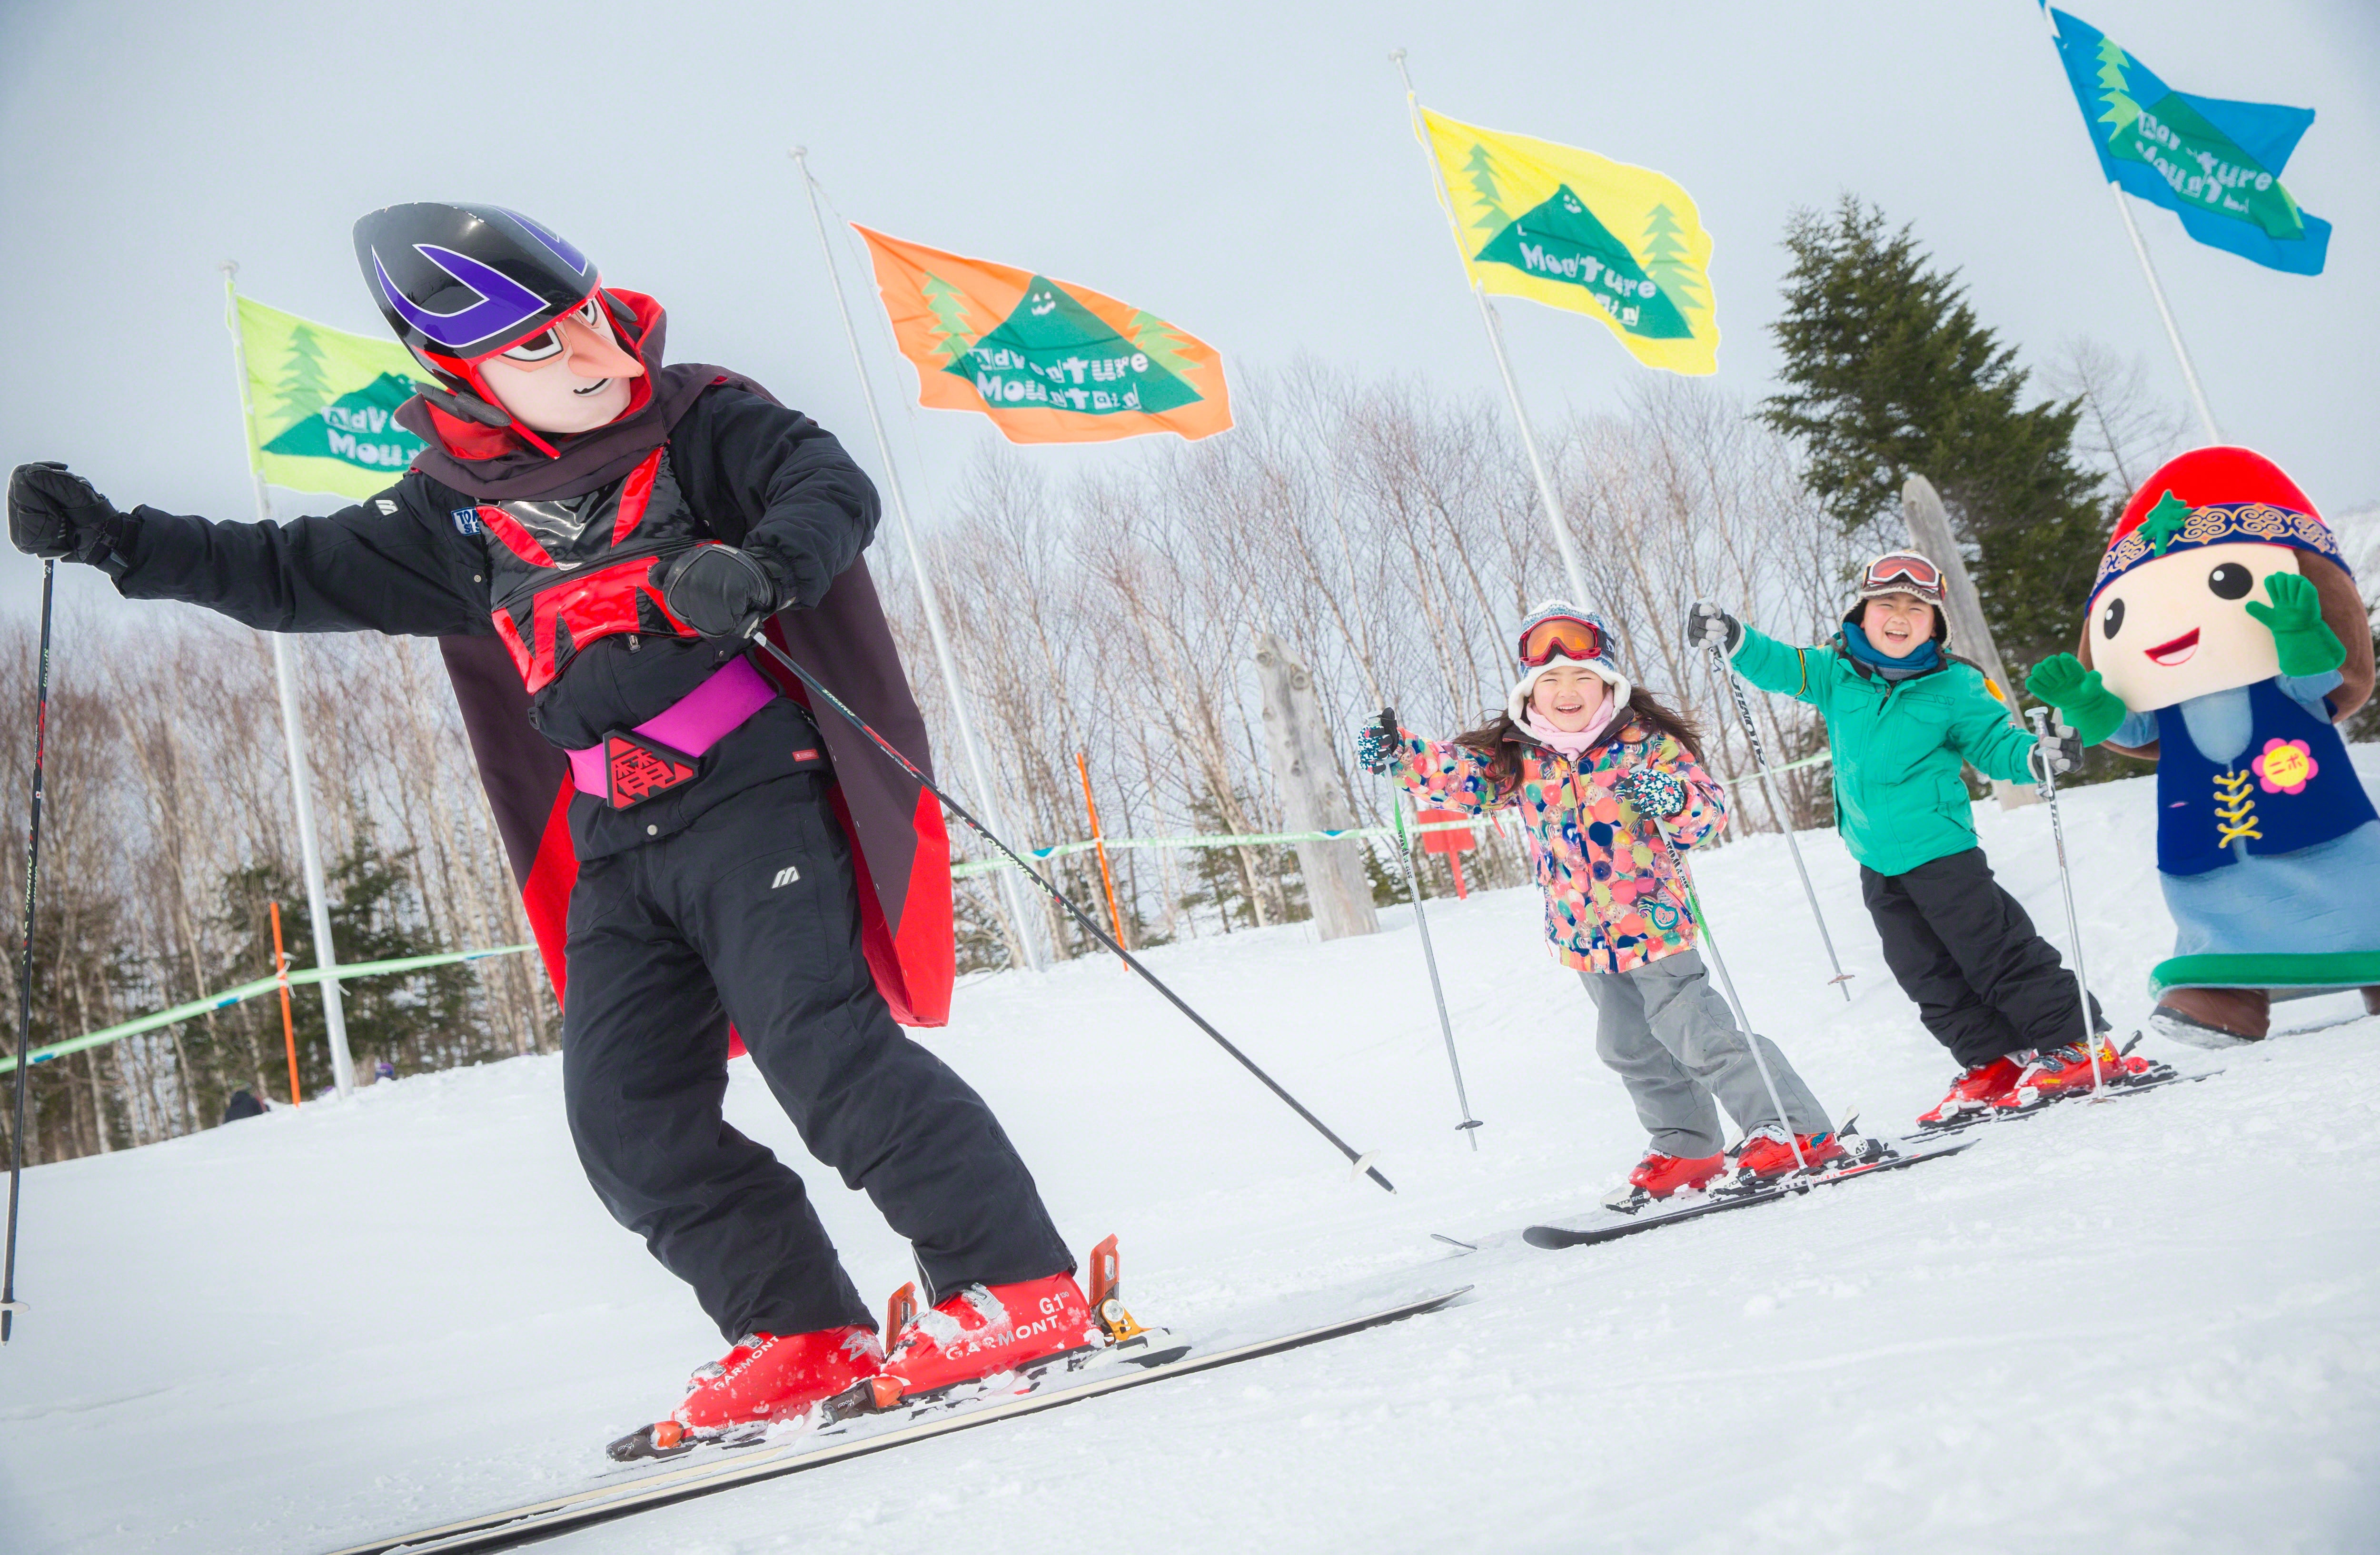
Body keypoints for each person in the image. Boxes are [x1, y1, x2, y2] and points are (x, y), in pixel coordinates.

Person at [7, 203, 1094, 1450]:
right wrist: (116, 541)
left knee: (823, 1050)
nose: (592, 354)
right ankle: (801, 1332)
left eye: (584, 317)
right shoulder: (452, 511)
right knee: (625, 1115)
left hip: (752, 787)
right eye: (539, 344)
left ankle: (1015, 1283)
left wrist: (763, 566)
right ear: (463, 373)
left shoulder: (699, 421)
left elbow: (826, 485)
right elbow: (288, 568)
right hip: (616, 836)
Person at [1359, 604, 1846, 1210]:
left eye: (1581, 678)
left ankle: (1793, 1129)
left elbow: (1708, 811)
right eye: (1551, 680)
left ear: (1608, 684)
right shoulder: (1522, 755)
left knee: (1697, 1032)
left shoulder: (1644, 744)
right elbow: (1462, 777)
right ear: (1529, 691)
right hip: (1582, 934)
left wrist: (1672, 798)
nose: (1566, 692)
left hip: (1653, 923)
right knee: (1628, 1048)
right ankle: (1688, 1147)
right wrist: (1401, 753)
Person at [1686, 555, 2120, 1128]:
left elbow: (1994, 744)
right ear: (1861, 615)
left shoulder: (1955, 684)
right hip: (1875, 859)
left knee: (1996, 953)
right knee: (1923, 973)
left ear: (1934, 624)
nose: (1898, 617)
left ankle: (2077, 1043)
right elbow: (1777, 664)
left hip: (1943, 852)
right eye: (1885, 605)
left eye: (1916, 608)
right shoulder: (1833, 672)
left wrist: (2036, 757)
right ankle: (1993, 1060)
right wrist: (1733, 635)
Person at [2026, 446, 2380, 1045]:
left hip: (2315, 814)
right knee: (2217, 899)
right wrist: (2085, 700)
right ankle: (2226, 990)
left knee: (2348, 880)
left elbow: (2315, 681)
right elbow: (2129, 729)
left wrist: (2298, 631)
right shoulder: (2165, 701)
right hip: (2203, 831)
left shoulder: (2275, 681)